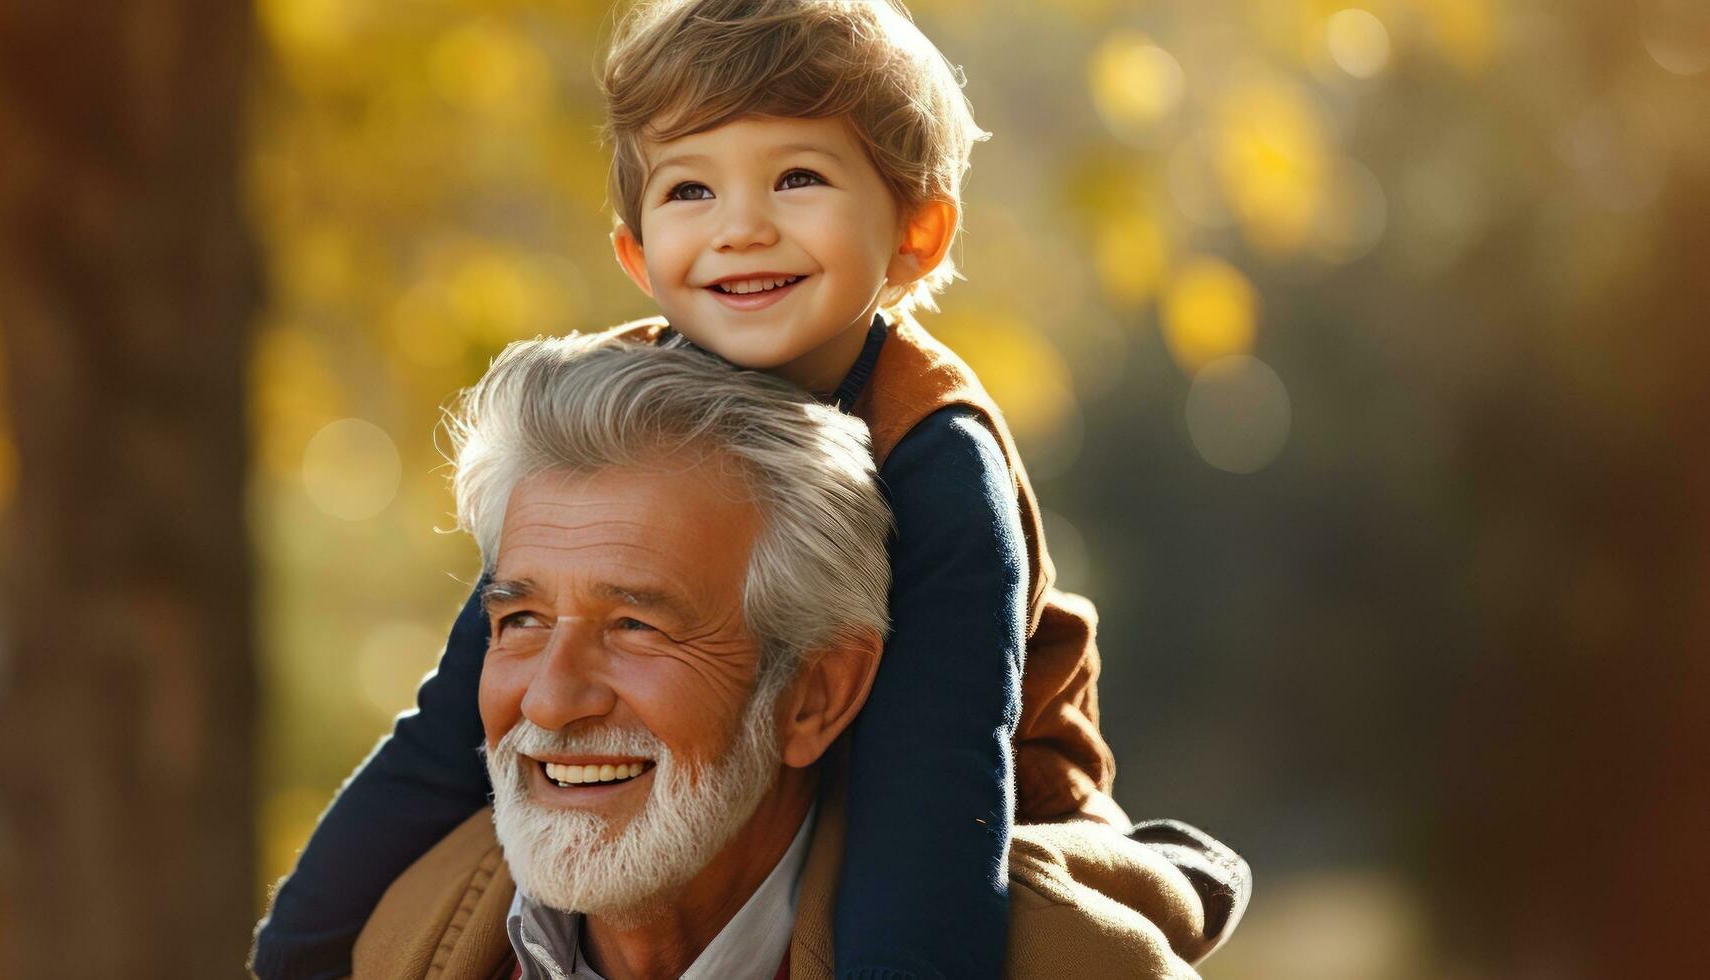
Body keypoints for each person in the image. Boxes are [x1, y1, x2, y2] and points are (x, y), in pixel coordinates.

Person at [255, 2, 1128, 976]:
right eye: (688, 190)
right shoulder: (602, 420)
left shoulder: (939, 458)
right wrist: (297, 954)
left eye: (796, 177)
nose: (741, 227)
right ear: (634, 256)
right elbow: (448, 727)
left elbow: (935, 795)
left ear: (916, 232)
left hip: (973, 786)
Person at [343, 335, 1246, 978]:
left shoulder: (1070, 969)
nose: (549, 702)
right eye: (521, 623)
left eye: (635, 627)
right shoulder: (399, 941)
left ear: (815, 694)